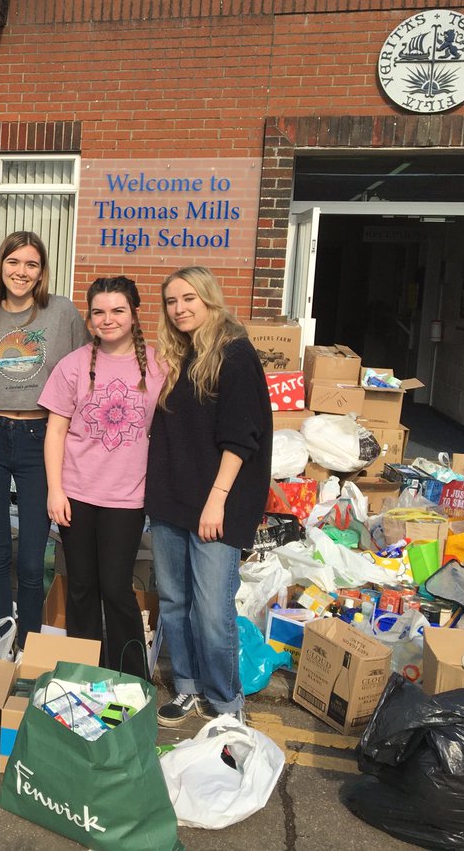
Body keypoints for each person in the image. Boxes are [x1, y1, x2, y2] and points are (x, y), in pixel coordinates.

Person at [146, 266, 271, 725]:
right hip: (171, 500)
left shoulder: (234, 355)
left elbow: (241, 438)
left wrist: (216, 500)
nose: (179, 309)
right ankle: (187, 687)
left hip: (216, 504)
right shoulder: (180, 356)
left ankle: (225, 701)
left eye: (188, 299)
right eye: (172, 302)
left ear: (209, 300)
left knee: (212, 609)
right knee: (175, 602)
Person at [40, 277, 163, 678]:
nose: (107, 319)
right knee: (80, 588)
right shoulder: (72, 365)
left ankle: (130, 677)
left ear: (134, 313)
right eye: (98, 312)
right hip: (76, 493)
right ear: (89, 317)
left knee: (115, 588)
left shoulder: (160, 365)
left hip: (126, 498)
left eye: (117, 310)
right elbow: (55, 430)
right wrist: (55, 491)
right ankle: (82, 674)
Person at [0, 231, 88, 648]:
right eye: (14, 262)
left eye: (31, 264)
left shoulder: (61, 313)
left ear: (41, 272)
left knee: (33, 555)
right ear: (1, 266)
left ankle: (31, 646)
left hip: (42, 437)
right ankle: (3, 640)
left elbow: (86, 370)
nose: (21, 272)